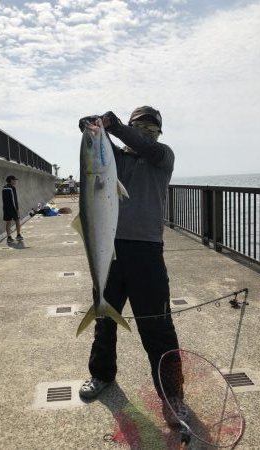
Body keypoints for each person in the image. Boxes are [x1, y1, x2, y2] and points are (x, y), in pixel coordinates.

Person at [77, 106, 187, 424]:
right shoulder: (117, 159)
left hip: (147, 254)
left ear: (158, 133)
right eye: (141, 126)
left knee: (158, 327)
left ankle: (173, 395)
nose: (145, 133)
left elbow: (147, 147)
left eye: (150, 128)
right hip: (108, 251)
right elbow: (97, 147)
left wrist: (121, 127)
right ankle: (102, 375)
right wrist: (89, 126)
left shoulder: (162, 156)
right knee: (104, 320)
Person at [2, 175, 24, 243]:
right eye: (14, 180)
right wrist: (17, 209)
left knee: (8, 222)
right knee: (17, 220)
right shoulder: (12, 188)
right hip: (13, 208)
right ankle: (18, 235)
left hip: (5, 208)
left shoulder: (4, 188)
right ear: (11, 180)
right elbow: (15, 200)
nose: (15, 181)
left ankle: (9, 237)